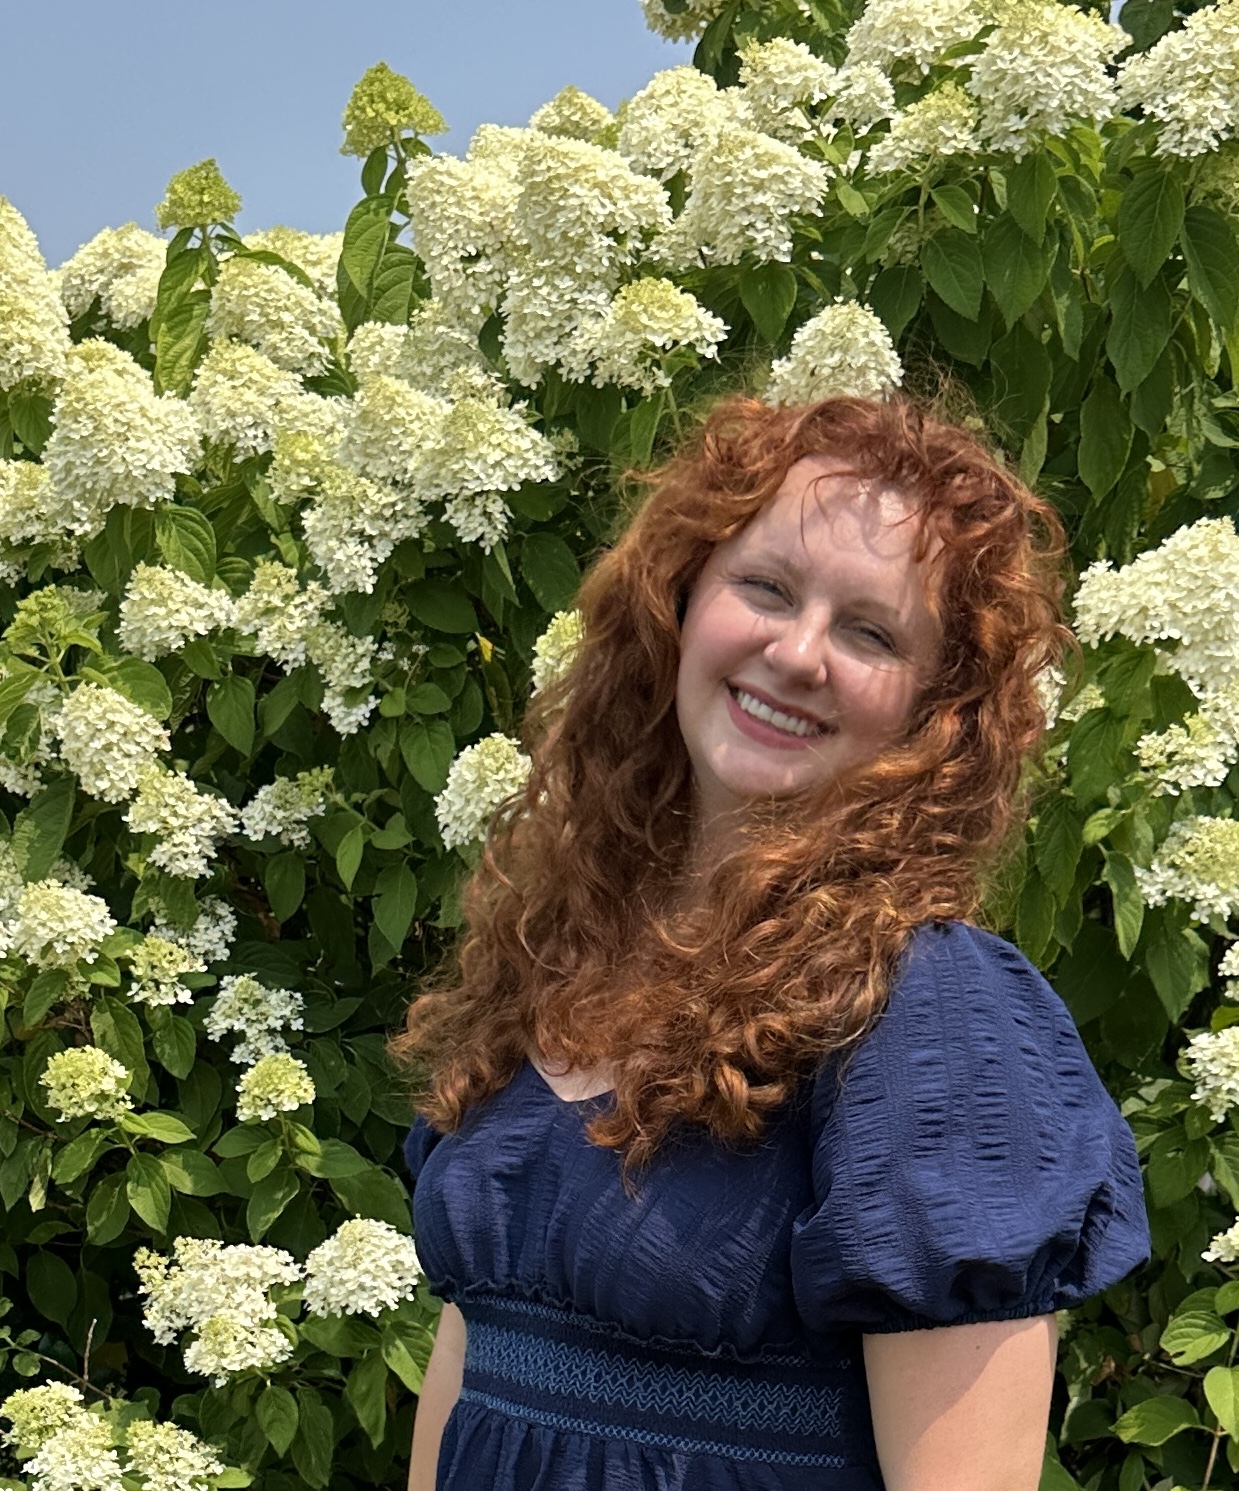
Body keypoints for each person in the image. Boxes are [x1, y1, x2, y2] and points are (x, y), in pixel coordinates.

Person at [390, 394, 1150, 1491]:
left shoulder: (924, 1012)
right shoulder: (561, 943)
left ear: (936, 711)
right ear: (680, 601)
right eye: (767, 588)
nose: (798, 654)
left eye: (870, 632)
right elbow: (476, 1366)